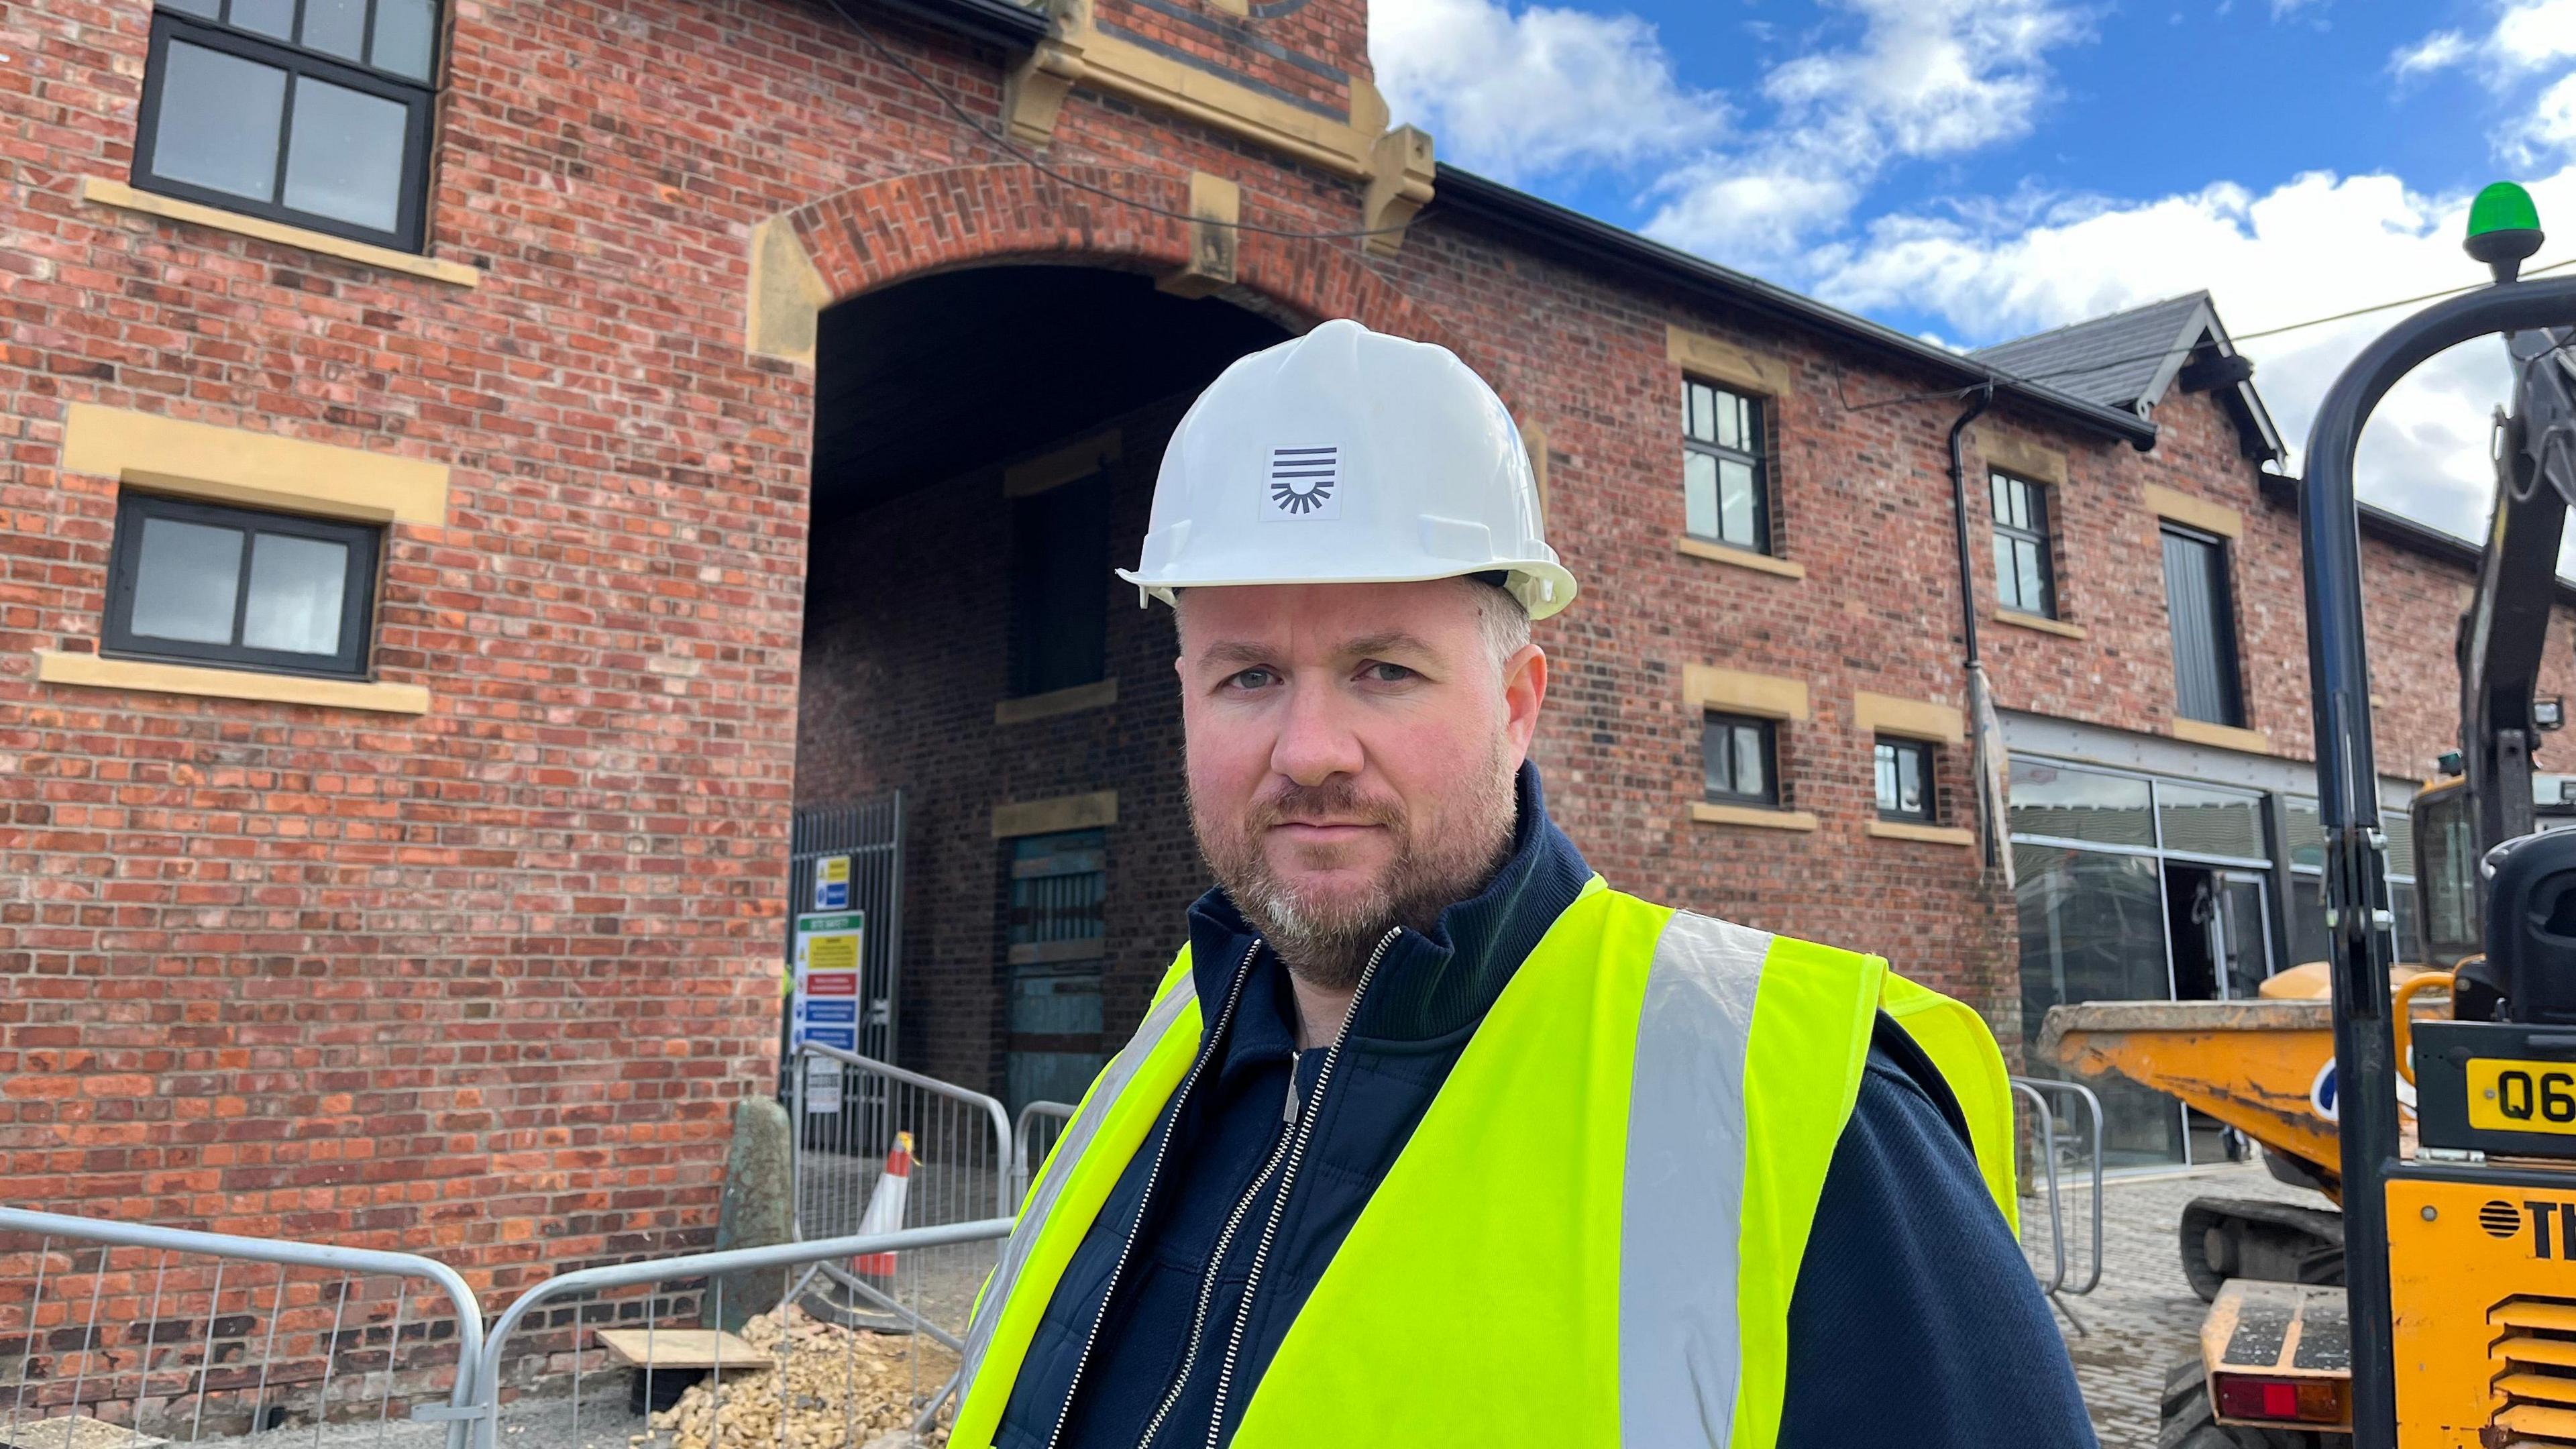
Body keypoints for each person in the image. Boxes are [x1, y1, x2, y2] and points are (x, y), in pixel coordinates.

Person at [947, 319, 2096, 1449]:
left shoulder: (1805, 1118)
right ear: (1187, 698)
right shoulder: (1161, 1060)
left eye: (1383, 670)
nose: (1310, 750)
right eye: (1249, 676)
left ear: (1516, 703)